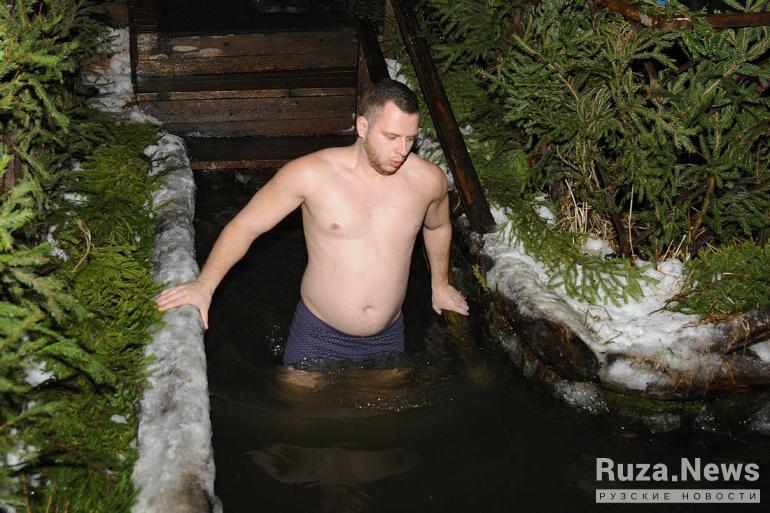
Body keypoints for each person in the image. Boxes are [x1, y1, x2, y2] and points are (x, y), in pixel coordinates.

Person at [155, 79, 469, 366]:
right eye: (391, 137)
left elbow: (437, 226)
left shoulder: (427, 180)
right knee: (297, 408)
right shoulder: (310, 174)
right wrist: (205, 286)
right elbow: (246, 225)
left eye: (410, 139)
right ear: (362, 126)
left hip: (388, 335)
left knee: (385, 410)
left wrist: (439, 283)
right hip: (318, 334)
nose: (402, 150)